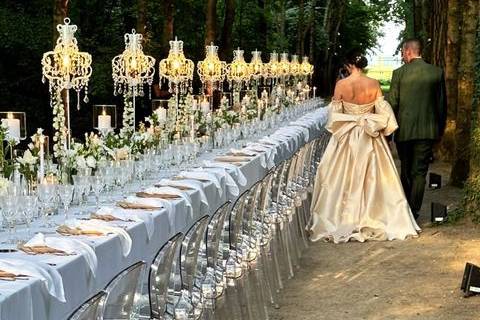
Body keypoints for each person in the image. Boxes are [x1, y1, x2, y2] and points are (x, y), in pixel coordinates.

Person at [308, 50, 420, 243]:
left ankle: (343, 217)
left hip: (348, 137)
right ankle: (374, 214)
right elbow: (382, 111)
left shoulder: (341, 84)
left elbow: (335, 116)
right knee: (374, 177)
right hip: (370, 136)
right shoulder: (374, 83)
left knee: (340, 175)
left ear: (349, 66)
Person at [387, 39, 447, 220]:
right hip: (428, 130)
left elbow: (392, 104)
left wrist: (388, 132)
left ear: (407, 52)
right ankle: (414, 211)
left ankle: (406, 208)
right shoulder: (436, 72)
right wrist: (439, 130)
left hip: (404, 131)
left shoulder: (399, 73)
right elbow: (441, 105)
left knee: (406, 169)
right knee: (420, 171)